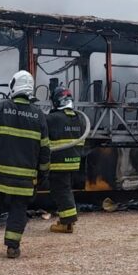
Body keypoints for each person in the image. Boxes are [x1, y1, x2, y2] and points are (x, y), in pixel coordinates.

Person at [0, 70, 50, 259]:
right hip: (24, 178)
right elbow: (45, 150)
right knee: (18, 209)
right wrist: (42, 174)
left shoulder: (1, 108)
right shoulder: (39, 116)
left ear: (14, 86)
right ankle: (12, 248)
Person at [46, 85, 84, 234]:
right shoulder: (78, 118)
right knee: (65, 189)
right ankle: (67, 219)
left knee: (60, 191)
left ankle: (67, 223)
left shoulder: (53, 118)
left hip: (58, 161)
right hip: (73, 160)